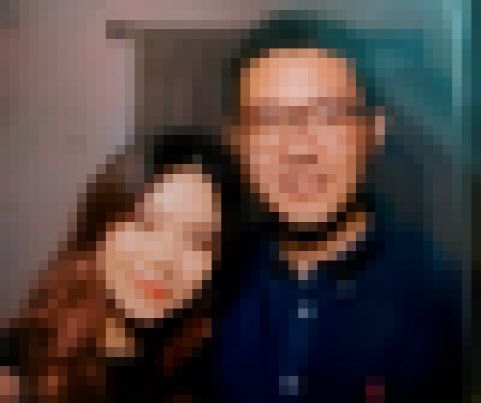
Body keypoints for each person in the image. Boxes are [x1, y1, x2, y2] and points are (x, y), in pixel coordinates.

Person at [212, 13, 462, 403]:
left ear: (374, 131)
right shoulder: (211, 285)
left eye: (328, 115)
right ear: (237, 143)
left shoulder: (445, 295)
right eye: (267, 119)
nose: (299, 148)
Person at [4, 129, 223, 402]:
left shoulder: (196, 366)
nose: (165, 259)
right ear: (101, 225)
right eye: (147, 224)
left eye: (198, 240)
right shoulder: (19, 371)